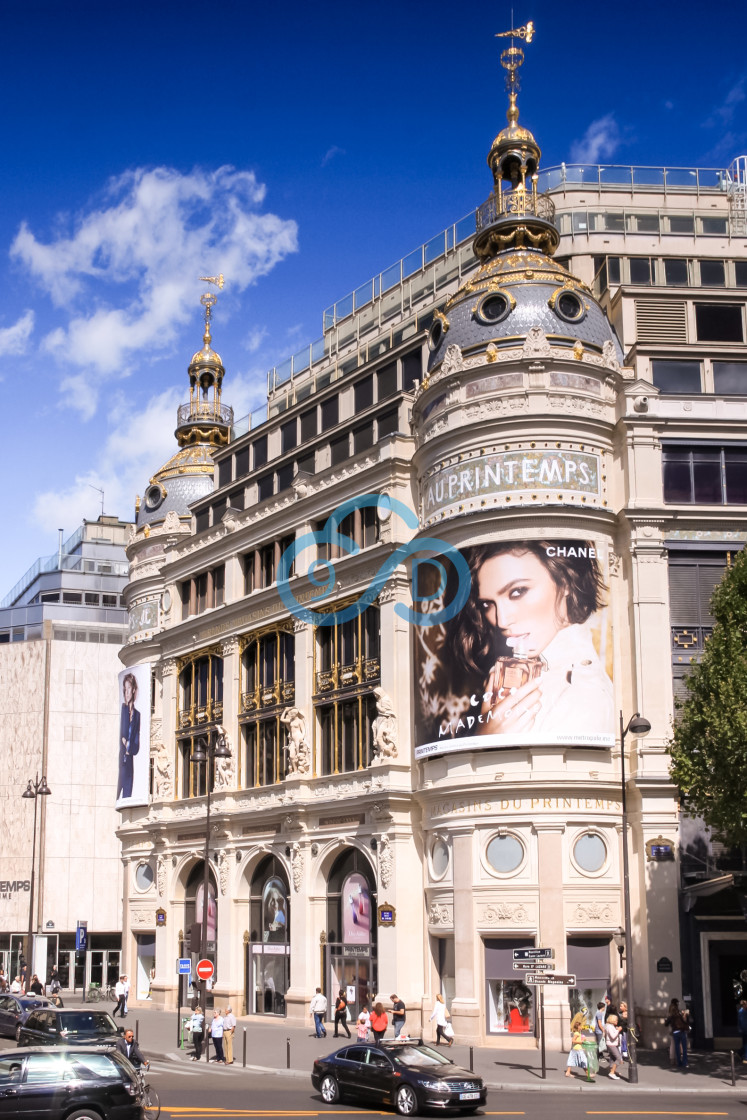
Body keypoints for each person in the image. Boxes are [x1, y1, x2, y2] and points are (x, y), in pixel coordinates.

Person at [442, 541, 613, 743]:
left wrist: (486, 742)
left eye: (517, 591)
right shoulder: (524, 672)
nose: (502, 621)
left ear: (565, 580)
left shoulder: (583, 697)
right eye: (487, 604)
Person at [118, 673, 141, 800]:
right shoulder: (122, 710)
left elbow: (136, 743)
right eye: (124, 689)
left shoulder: (137, 715)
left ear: (133, 690)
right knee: (117, 795)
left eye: (128, 689)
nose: (126, 693)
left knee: (127, 797)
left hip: (129, 762)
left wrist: (129, 745)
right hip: (121, 761)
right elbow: (121, 733)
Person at [665, 999, 689, 1069]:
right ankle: (685, 1063)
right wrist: (685, 1015)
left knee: (677, 1048)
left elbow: (666, 1024)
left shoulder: (671, 1016)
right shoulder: (679, 1014)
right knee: (684, 1048)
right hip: (682, 1031)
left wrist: (666, 1021)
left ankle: (679, 1062)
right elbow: (685, 1022)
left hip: (675, 1032)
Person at [604, 1013, 623, 1080]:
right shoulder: (609, 1026)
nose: (617, 1022)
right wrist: (618, 1030)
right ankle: (612, 1072)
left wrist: (616, 1029)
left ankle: (612, 1070)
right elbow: (613, 1036)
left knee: (613, 1058)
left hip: (612, 1044)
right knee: (618, 1058)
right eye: (616, 1020)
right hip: (611, 1044)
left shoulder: (609, 1026)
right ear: (612, 1020)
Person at [738, 999, 747, 1064]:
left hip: (745, 1029)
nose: (745, 1006)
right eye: (745, 1005)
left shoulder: (743, 1011)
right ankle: (745, 1057)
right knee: (745, 1044)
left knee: (745, 1044)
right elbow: (739, 1021)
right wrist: (740, 1028)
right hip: (744, 1030)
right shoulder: (741, 1011)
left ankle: (740, 1053)